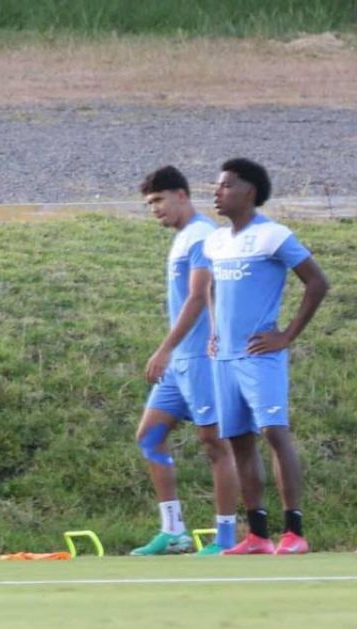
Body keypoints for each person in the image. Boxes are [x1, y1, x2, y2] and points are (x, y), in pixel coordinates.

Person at [206, 158, 329, 555]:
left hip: (261, 356)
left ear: (249, 192)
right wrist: (214, 330)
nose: (216, 192)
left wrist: (286, 336)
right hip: (225, 358)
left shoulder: (273, 235)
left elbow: (317, 282)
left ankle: (294, 531)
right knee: (239, 442)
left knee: (274, 433)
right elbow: (211, 289)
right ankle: (258, 535)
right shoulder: (216, 241)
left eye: (225, 185)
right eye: (217, 186)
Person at [130, 166, 241, 556]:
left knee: (214, 442)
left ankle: (226, 538)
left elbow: (198, 297)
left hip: (202, 359)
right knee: (149, 437)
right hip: (180, 363)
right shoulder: (181, 239)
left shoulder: (203, 236)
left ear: (181, 195)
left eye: (158, 201)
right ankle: (173, 531)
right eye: (149, 204)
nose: (155, 209)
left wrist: (163, 348)